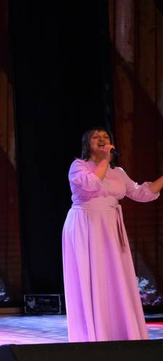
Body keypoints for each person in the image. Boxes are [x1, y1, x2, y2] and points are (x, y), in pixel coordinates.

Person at [62, 127, 163, 342]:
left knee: (113, 276)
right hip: (86, 224)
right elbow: (91, 184)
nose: (101, 139)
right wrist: (105, 160)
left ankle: (117, 330)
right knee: (92, 275)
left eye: (105, 136)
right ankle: (93, 334)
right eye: (96, 137)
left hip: (110, 226)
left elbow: (141, 193)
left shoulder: (119, 172)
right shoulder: (78, 166)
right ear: (87, 144)